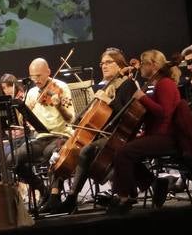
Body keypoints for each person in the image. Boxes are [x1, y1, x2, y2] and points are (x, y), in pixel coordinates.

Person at [54, 48, 138, 214]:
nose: (104, 66)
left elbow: (127, 115)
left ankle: (72, 197)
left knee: (87, 151)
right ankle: (54, 196)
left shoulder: (127, 84)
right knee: (64, 148)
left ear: (120, 64)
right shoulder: (104, 86)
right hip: (101, 134)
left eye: (109, 62)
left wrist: (109, 101)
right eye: (102, 63)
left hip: (117, 135)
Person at [103, 50, 184, 213]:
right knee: (123, 150)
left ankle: (124, 198)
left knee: (123, 152)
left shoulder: (165, 84)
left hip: (166, 137)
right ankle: (155, 183)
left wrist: (142, 98)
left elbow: (163, 113)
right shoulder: (158, 84)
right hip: (157, 135)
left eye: (143, 63)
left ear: (152, 65)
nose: (139, 66)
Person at [13, 57, 76, 212]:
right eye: (33, 76)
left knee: (52, 154)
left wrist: (59, 106)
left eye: (39, 75)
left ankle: (54, 198)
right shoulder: (32, 93)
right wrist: (25, 111)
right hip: (41, 137)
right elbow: (21, 122)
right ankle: (43, 190)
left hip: (61, 135)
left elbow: (70, 118)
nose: (36, 80)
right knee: (13, 160)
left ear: (48, 72)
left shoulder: (60, 87)